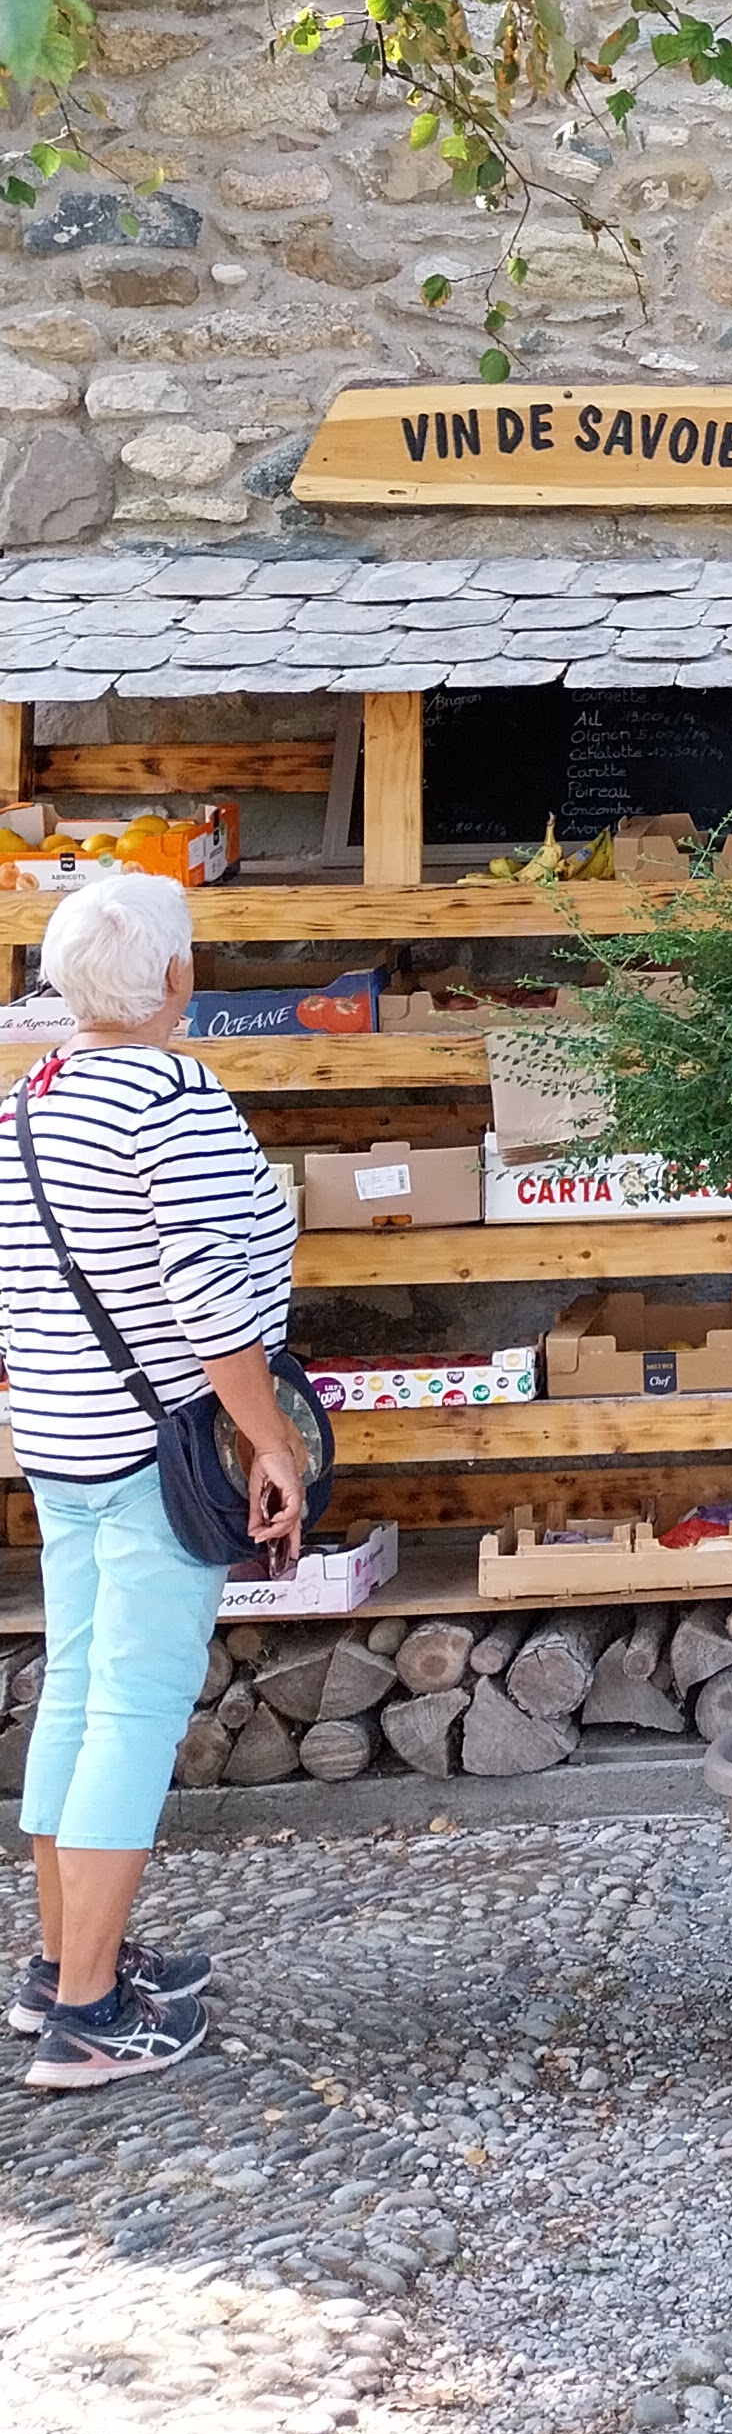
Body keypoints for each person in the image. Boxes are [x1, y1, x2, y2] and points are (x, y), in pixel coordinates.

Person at [5, 873, 305, 2090]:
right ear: (179, 977)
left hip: (60, 1442)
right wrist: (269, 1440)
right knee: (131, 1710)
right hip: (157, 1449)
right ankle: (89, 2016)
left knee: (78, 1692)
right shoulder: (173, 1101)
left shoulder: (29, 1101)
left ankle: (62, 1965)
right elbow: (209, 1298)